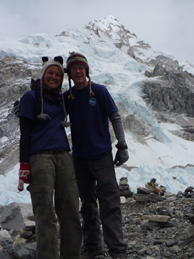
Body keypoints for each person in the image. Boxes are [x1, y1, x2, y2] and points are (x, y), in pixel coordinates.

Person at [64, 52, 129, 259]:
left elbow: (115, 116)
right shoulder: (68, 97)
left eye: (81, 67)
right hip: (79, 159)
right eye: (74, 68)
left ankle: (118, 252)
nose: (78, 71)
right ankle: (93, 248)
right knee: (88, 206)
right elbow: (51, 114)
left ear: (87, 70)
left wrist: (122, 145)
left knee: (110, 204)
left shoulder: (99, 91)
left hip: (101, 157)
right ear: (69, 73)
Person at [18, 56, 82, 259]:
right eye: (50, 73)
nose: (54, 77)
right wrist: (24, 164)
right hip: (40, 158)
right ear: (43, 74)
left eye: (57, 74)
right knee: (45, 215)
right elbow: (25, 133)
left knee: (71, 210)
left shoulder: (62, 99)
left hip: (64, 156)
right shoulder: (30, 97)